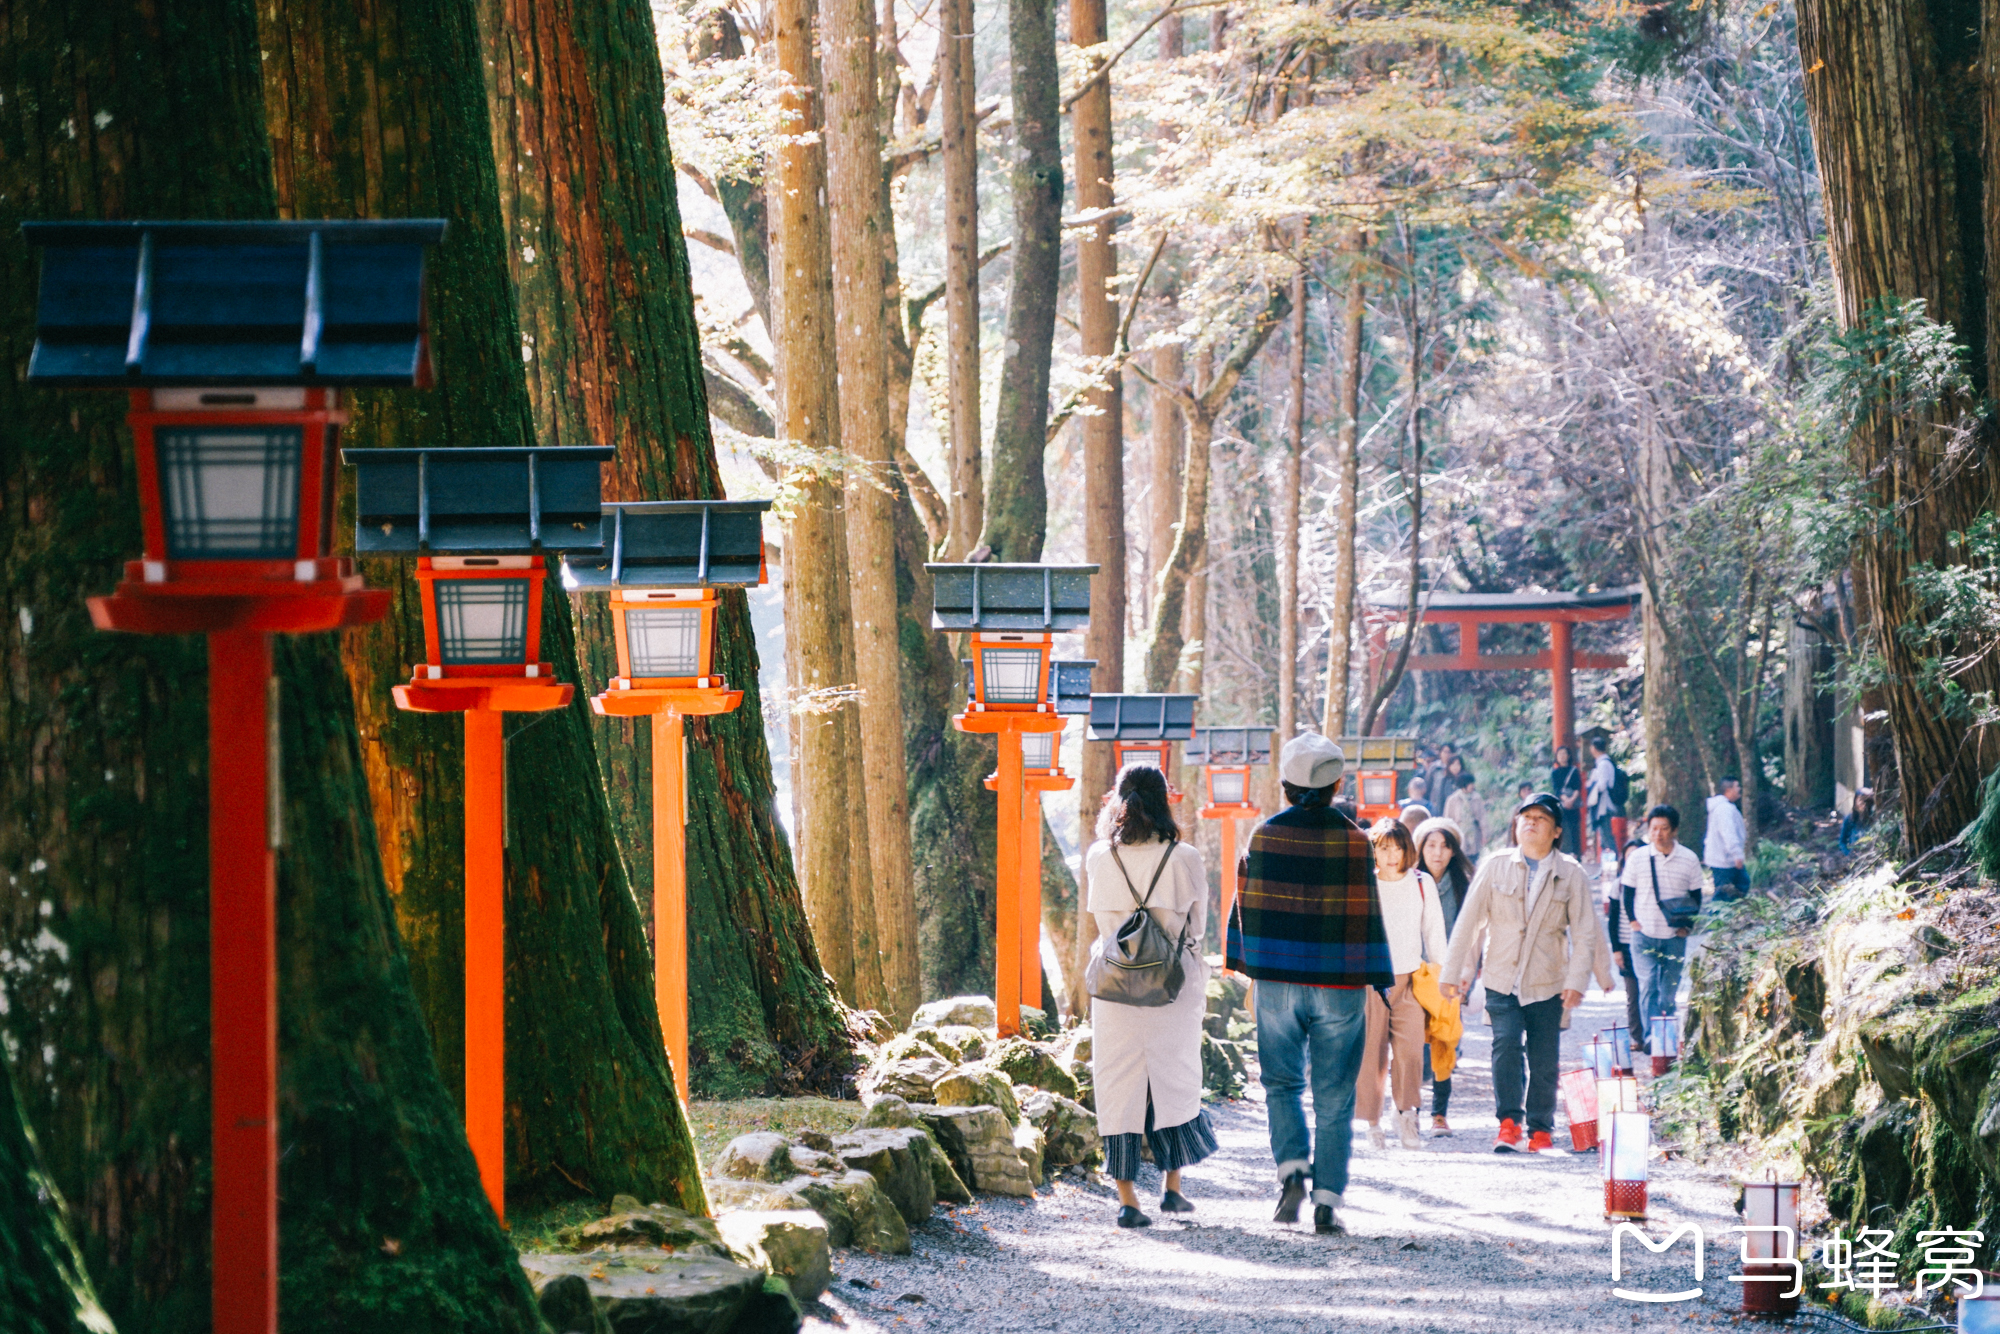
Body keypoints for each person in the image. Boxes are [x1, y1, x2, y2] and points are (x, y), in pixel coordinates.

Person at [1227, 734, 1394, 1236]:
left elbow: (1247, 905)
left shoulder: (1264, 835)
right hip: (1339, 983)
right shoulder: (1355, 841)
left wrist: (1248, 965)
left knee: (1281, 1082)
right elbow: (1367, 916)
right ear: (1337, 784)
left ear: (1285, 785)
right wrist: (1377, 975)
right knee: (1335, 1095)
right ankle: (1326, 1201)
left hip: (1279, 980)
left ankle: (1293, 1173)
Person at [1085, 765, 1217, 1229]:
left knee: (1118, 1080)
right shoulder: (1185, 858)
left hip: (1116, 985)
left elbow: (1102, 926)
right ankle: (1172, 1189)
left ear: (1117, 800)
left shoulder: (1100, 857)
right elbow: (1196, 929)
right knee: (1173, 1078)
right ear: (1165, 801)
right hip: (1172, 987)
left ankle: (1126, 1200)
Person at [1440, 792, 1602, 1154]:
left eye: (1540, 818)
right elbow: (1468, 921)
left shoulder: (1570, 874)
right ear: (1516, 824)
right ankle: (1509, 1123)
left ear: (1557, 831)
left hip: (1548, 981)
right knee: (1506, 1045)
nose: (1530, 822)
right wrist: (1452, 973)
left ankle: (1540, 1130)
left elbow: (1585, 932)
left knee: (1544, 1057)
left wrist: (1577, 982)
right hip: (1501, 977)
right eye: (1525, 816)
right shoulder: (1495, 866)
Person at [1355, 819, 1448, 1151]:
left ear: (1407, 849)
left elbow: (1434, 933)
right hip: (1370, 980)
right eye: (1383, 848)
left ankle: (1407, 1115)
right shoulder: (1364, 883)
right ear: (1373, 851)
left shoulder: (1422, 883)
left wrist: (1444, 978)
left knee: (1410, 1051)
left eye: (1397, 847)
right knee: (1371, 1053)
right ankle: (1372, 1123)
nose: (1391, 855)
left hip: (1410, 979)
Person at [1620, 804, 1703, 1037]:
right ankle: (1651, 1040)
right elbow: (1627, 893)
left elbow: (1696, 896)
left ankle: (1666, 1040)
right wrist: (1634, 922)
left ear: (1674, 830)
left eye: (1664, 828)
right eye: (1654, 828)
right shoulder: (1637, 858)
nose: (1658, 834)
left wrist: (1688, 926)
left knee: (1668, 992)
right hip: (1643, 934)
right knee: (1647, 987)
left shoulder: (1689, 858)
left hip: (1674, 936)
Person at [1413, 817, 1474, 1134]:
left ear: (1454, 851)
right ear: (1420, 848)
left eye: (1445, 846)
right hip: (1411, 975)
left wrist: (1466, 973)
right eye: (1431, 845)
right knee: (1412, 1045)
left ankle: (1439, 1114)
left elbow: (1474, 934)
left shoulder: (1464, 884)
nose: (1437, 853)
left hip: (1448, 977)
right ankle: (1410, 1110)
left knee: (1444, 1043)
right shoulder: (1407, 881)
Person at [1604, 834, 1649, 1046]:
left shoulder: (1652, 883)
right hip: (1625, 943)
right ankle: (1637, 1036)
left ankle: (1653, 1036)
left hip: (1649, 940)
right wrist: (1616, 950)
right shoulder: (1618, 885)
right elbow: (1612, 920)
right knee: (1632, 993)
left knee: (1650, 990)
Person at [1704, 777, 1749, 901]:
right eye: (1737, 786)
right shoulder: (1724, 809)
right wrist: (1737, 854)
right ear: (1729, 790)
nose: (1739, 789)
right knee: (1723, 893)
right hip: (1723, 860)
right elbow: (1728, 833)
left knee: (1741, 884)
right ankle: (1715, 917)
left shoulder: (1726, 807)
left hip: (1725, 858)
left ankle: (1730, 914)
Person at [1443, 770, 1487, 858]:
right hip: (1459, 832)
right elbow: (1447, 819)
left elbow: (1482, 818)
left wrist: (1484, 835)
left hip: (1474, 833)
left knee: (1473, 858)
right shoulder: (1452, 799)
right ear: (1464, 784)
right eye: (1470, 783)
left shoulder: (1476, 798)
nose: (1473, 786)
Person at [1587, 737, 1618, 860]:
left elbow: (1603, 785)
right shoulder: (1603, 763)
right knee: (1604, 836)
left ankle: (1614, 865)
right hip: (1603, 804)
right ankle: (1608, 866)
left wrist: (1592, 785)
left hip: (1604, 805)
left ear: (1594, 748)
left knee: (1606, 836)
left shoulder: (1604, 764)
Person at [1550, 746, 1584, 856]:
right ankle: (1564, 854)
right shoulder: (1555, 773)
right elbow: (1557, 789)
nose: (1562, 756)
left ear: (1569, 756)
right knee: (1563, 829)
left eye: (1564, 754)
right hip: (1562, 805)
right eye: (1560, 754)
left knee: (1575, 829)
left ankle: (1576, 854)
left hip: (1573, 805)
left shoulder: (1574, 771)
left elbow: (1577, 787)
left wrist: (1572, 800)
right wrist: (1566, 800)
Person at [1840, 789, 1875, 854]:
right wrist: (1848, 853)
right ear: (1855, 801)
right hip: (1854, 857)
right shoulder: (1849, 819)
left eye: (1867, 801)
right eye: (1861, 800)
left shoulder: (1874, 818)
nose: (1864, 804)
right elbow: (1842, 841)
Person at [1504, 782, 1533, 846]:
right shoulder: (1517, 809)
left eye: (1529, 789)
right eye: (1524, 790)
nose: (1527, 792)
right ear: (1520, 793)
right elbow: (1511, 827)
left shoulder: (1539, 806)